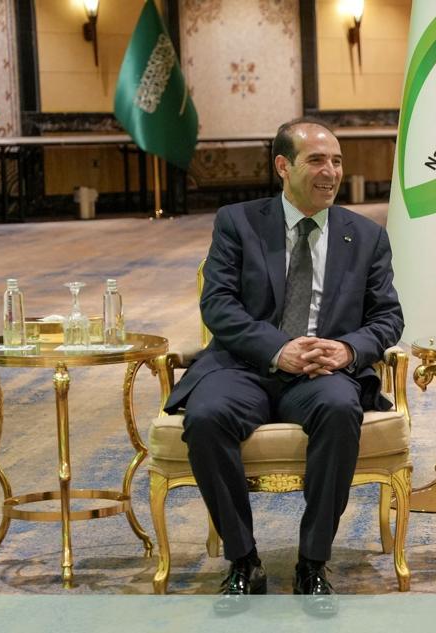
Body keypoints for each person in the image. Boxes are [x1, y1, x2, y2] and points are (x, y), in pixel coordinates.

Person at [164, 117, 404, 614]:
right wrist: (278, 348)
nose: (330, 172)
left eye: (336, 161)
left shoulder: (366, 236)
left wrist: (347, 350)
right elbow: (218, 305)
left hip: (321, 373)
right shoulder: (238, 222)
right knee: (205, 417)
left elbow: (388, 317)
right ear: (282, 166)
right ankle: (243, 560)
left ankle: (312, 563)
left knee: (340, 409)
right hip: (245, 367)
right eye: (316, 160)